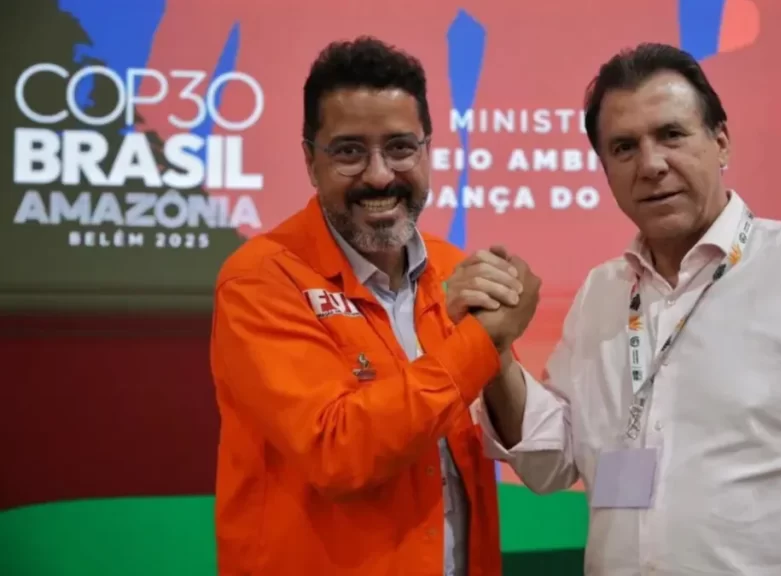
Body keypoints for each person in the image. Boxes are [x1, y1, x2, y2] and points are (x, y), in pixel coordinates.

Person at [461, 43, 781, 575]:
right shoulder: (602, 291)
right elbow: (550, 461)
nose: (651, 165)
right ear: (605, 170)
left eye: (671, 135)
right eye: (624, 147)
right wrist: (494, 352)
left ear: (721, 142)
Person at [209, 36, 539, 576]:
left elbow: (525, 445)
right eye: (349, 152)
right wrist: (482, 341)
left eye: (401, 147)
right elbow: (337, 452)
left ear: (428, 151)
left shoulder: (453, 268)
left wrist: (498, 353)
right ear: (310, 161)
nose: (380, 174)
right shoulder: (261, 278)